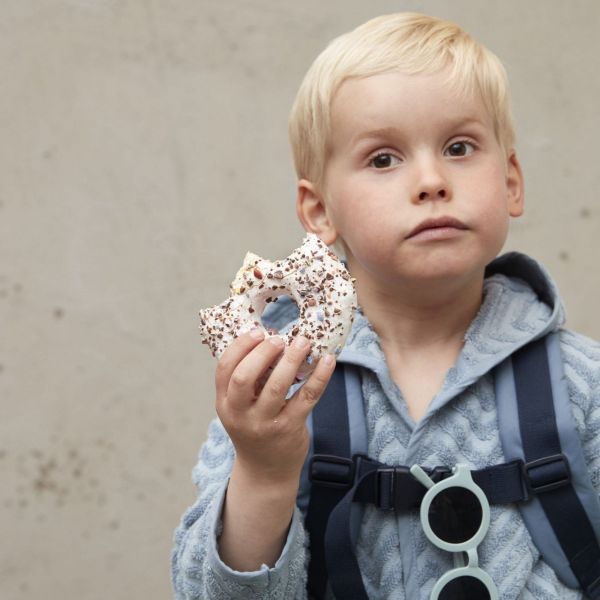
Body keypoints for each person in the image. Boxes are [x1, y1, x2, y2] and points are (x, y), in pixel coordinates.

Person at [171, 12, 600, 599]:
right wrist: (265, 471)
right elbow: (208, 593)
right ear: (319, 211)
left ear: (511, 181)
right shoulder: (280, 389)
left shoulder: (580, 385)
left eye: (459, 147)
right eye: (383, 159)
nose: (430, 180)